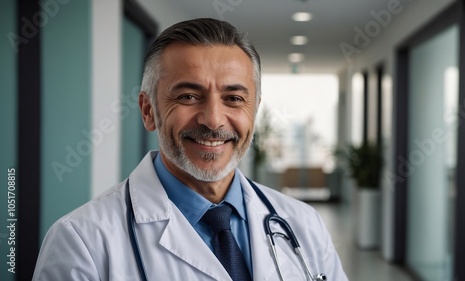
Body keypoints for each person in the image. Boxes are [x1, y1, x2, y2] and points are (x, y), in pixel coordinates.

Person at [32, 18, 348, 281]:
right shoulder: (81, 241)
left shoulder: (303, 224)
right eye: (187, 96)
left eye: (234, 98)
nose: (213, 120)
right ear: (148, 110)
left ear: (254, 110)